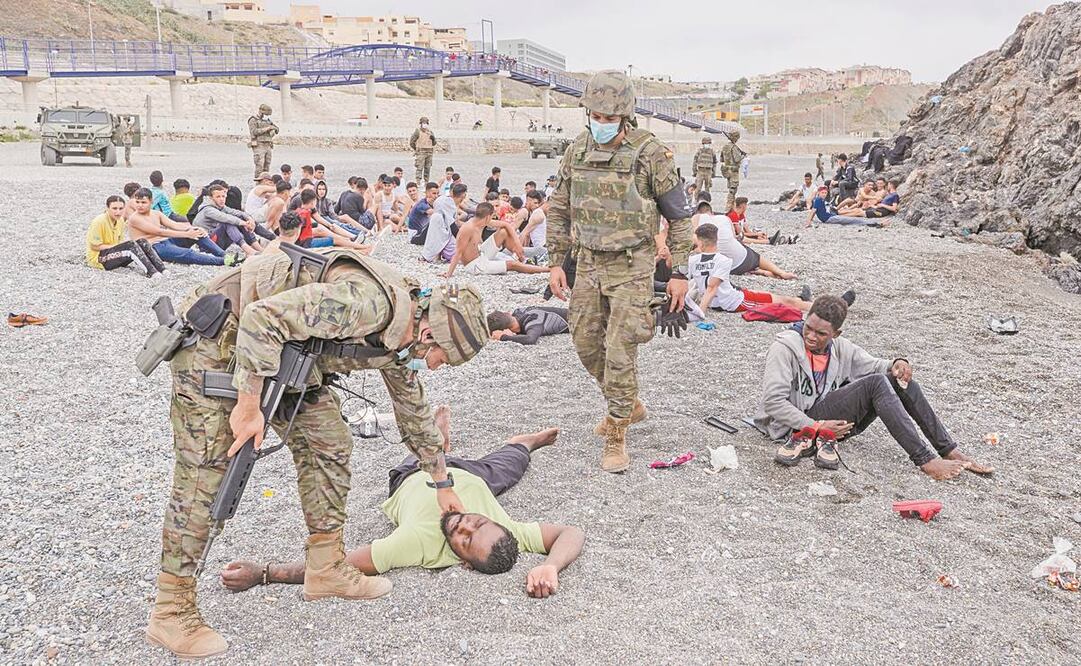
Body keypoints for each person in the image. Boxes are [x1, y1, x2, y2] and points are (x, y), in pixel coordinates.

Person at [144, 248, 492, 659]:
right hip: (219, 343)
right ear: (430, 334)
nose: (434, 366)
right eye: (441, 359)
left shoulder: (403, 335)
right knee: (209, 471)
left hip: (290, 358)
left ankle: (326, 568)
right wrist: (249, 405)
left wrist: (441, 481)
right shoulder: (365, 306)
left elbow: (412, 408)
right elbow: (261, 319)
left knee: (329, 442)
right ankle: (171, 609)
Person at [220, 408, 583, 598]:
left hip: (414, 476)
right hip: (478, 479)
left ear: (463, 563)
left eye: (467, 540)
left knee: (426, 454)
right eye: (481, 524)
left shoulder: (418, 545)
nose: (466, 524)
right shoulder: (510, 533)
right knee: (514, 462)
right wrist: (551, 565)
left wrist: (263, 573)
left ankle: (438, 445)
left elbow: (336, 564)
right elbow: (570, 532)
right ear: (498, 525)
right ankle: (522, 441)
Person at [547, 71, 694, 473]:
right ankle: (628, 404)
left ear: (625, 114)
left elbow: (680, 219)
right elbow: (559, 208)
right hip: (589, 262)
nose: (600, 120)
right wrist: (556, 262)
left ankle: (616, 433)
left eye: (608, 115)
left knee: (619, 346)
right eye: (594, 113)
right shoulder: (576, 149)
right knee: (584, 340)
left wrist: (678, 272)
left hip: (633, 264)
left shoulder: (651, 154)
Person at [755, 295, 994, 479]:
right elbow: (773, 402)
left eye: (821, 333)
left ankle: (948, 449)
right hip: (796, 429)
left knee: (899, 380)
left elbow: (875, 366)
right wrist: (816, 426)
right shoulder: (784, 348)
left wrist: (898, 363)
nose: (811, 336)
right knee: (876, 383)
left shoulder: (840, 347)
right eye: (808, 328)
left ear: (836, 334)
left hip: (826, 422)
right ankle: (925, 460)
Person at [689, 224, 810, 314]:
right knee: (784, 301)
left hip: (721, 299)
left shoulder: (692, 261)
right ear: (717, 239)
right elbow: (712, 288)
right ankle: (813, 307)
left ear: (699, 242)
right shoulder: (724, 260)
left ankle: (799, 299)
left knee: (766, 295)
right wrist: (700, 313)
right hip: (733, 302)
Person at [127, 188, 234, 266]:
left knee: (197, 232)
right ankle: (222, 261)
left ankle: (224, 255)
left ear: (151, 202)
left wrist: (192, 229)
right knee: (188, 253)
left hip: (166, 241)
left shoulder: (156, 213)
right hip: (153, 248)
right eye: (137, 202)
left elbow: (174, 225)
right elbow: (159, 232)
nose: (140, 205)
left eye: (143, 202)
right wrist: (187, 234)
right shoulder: (135, 218)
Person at [443, 203, 551, 278]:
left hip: (481, 253)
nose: (493, 219)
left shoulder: (482, 221)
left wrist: (518, 245)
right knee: (512, 265)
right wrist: (448, 273)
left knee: (503, 232)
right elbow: (458, 252)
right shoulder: (467, 228)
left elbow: (506, 225)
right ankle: (546, 270)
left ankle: (521, 256)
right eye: (492, 217)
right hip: (474, 265)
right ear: (487, 217)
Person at [86, 195, 164, 277]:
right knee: (131, 245)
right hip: (99, 259)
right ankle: (152, 272)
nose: (118, 212)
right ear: (107, 208)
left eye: (121, 208)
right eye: (114, 208)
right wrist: (116, 247)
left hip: (113, 254)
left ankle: (162, 269)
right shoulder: (99, 221)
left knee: (142, 242)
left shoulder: (120, 220)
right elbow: (94, 247)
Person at [193, 184, 263, 257]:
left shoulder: (222, 207)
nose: (221, 199)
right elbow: (224, 217)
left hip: (216, 242)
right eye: (218, 197)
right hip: (206, 246)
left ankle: (258, 248)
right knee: (227, 223)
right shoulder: (207, 209)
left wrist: (249, 218)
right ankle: (249, 250)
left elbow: (237, 212)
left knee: (239, 219)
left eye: (223, 196)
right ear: (211, 198)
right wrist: (244, 223)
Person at [422, 182, 467, 263]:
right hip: (440, 225)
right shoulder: (449, 204)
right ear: (462, 197)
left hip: (437, 223)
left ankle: (436, 255)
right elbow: (452, 226)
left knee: (435, 241)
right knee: (460, 255)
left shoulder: (444, 199)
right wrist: (462, 241)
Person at [487, 306, 569, 345]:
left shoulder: (533, 323)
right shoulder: (518, 311)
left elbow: (530, 339)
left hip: (580, 322)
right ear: (507, 313)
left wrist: (504, 337)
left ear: (507, 330)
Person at [248, 104, 278, 180]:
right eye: (265, 114)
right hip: (259, 145)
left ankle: (266, 181)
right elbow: (254, 131)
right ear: (261, 112)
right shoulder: (253, 119)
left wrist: (275, 129)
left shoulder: (268, 120)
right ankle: (258, 182)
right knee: (259, 164)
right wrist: (267, 129)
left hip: (268, 144)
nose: (266, 116)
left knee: (267, 164)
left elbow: (276, 127)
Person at [720, 130, 744, 211]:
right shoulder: (734, 148)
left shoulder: (725, 147)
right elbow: (737, 159)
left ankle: (732, 207)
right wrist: (742, 156)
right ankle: (729, 206)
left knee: (731, 188)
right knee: (733, 190)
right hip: (733, 171)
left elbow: (721, 159)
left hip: (727, 170)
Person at [409, 116, 437, 183]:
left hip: (429, 152)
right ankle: (418, 181)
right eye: (423, 123)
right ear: (421, 123)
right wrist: (416, 149)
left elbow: (434, 143)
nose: (425, 124)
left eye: (426, 123)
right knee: (419, 168)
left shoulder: (430, 132)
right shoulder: (417, 131)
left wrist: (433, 139)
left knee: (428, 168)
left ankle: (426, 182)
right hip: (421, 152)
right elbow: (412, 142)